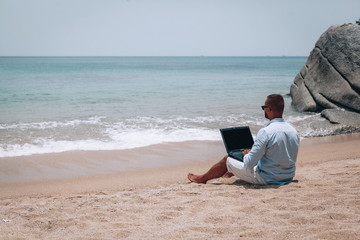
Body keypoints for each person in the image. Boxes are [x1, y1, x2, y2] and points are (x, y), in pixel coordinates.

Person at [188, 94, 300, 185]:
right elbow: (278, 154)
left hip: (268, 178)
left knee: (227, 159)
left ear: (268, 109)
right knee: (253, 158)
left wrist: (247, 154)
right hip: (288, 176)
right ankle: (229, 172)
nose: (264, 110)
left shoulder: (266, 132)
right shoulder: (293, 131)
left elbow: (249, 164)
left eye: (264, 108)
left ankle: (201, 179)